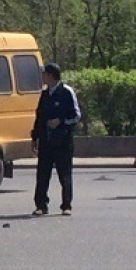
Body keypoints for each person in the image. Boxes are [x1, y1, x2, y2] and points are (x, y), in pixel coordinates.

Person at [31, 62, 81, 216]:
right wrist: (35, 137)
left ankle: (66, 205)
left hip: (63, 142)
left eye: (44, 74)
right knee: (42, 175)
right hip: (46, 141)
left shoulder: (66, 92)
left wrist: (60, 121)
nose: (42, 76)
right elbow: (39, 117)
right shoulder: (45, 94)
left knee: (64, 174)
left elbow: (77, 116)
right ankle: (41, 205)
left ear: (51, 75)